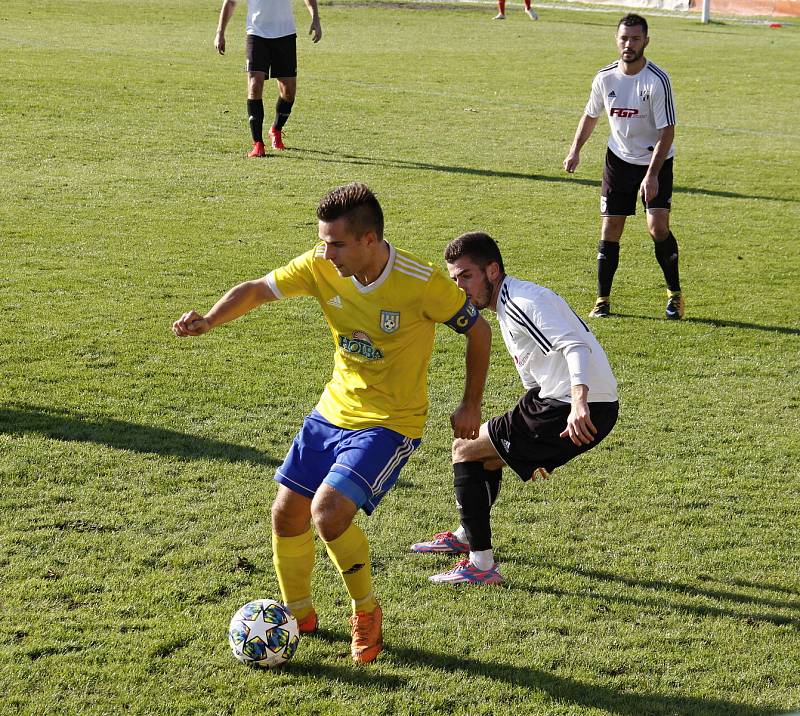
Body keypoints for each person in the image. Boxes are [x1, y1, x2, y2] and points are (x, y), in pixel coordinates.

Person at [173, 184, 491, 661]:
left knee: (328, 512)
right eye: (322, 241)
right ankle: (298, 614)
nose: (326, 252)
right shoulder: (321, 266)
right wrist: (211, 320)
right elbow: (259, 289)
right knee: (286, 513)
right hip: (332, 411)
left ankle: (365, 610)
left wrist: (471, 403)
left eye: (336, 243)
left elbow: (479, 330)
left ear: (369, 240)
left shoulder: (421, 281)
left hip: (390, 422)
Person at [411, 232, 618, 585]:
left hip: (572, 405)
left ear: (492, 271)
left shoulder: (524, 301)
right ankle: (466, 536)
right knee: (486, 454)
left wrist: (578, 403)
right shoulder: (507, 304)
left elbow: (575, 347)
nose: (459, 288)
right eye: (454, 279)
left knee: (465, 448)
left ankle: (481, 564)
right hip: (557, 401)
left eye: (466, 276)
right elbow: (538, 375)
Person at [563, 14, 683, 320]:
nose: (628, 44)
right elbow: (590, 115)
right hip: (618, 160)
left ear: (646, 41)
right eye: (623, 38)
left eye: (635, 38)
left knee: (657, 228)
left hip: (655, 160)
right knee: (610, 228)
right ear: (616, 39)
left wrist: (652, 174)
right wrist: (575, 150)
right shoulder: (605, 78)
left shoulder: (656, 79)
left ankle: (675, 296)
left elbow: (667, 130)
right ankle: (602, 300)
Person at [214, 0, 322, 157]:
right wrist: (220, 32)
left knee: (289, 91)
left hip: (285, 34)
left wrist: (315, 18)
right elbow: (230, 2)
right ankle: (258, 144)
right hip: (256, 34)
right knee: (254, 84)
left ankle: (276, 129)